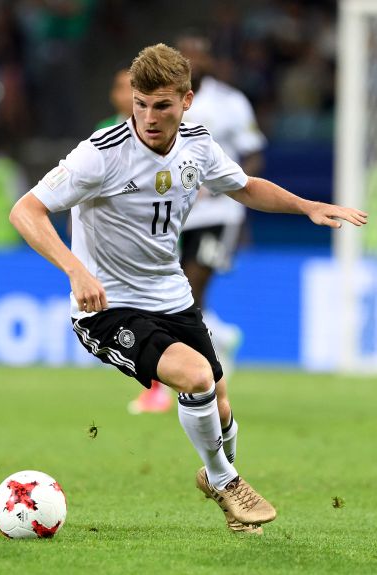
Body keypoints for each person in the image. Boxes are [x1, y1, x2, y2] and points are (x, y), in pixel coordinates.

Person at [9, 43, 367, 534]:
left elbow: (243, 186)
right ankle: (226, 480)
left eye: (161, 105)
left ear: (187, 101)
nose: (148, 117)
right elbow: (25, 210)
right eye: (140, 103)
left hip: (171, 298)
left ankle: (223, 484)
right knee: (197, 376)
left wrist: (306, 206)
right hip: (108, 307)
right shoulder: (100, 154)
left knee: (219, 402)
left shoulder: (198, 144)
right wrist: (75, 270)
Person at [128, 33, 267, 415]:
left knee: (193, 285)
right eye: (185, 54)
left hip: (219, 214)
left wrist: (228, 186)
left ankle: (198, 376)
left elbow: (254, 154)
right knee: (182, 294)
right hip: (176, 215)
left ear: (206, 61)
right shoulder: (163, 101)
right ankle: (220, 336)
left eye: (198, 55)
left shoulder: (230, 102)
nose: (193, 59)